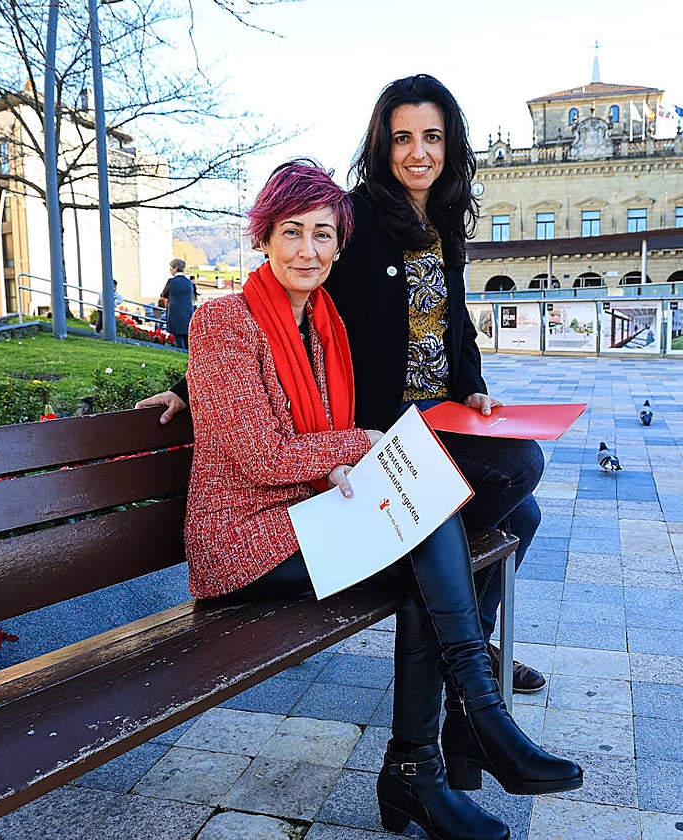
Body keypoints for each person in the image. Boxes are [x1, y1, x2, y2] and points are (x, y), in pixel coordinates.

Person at [182, 159, 581, 840]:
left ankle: (421, 768)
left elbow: (307, 442)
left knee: (429, 520)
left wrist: (354, 453)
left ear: (340, 244)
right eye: (291, 233)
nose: (308, 250)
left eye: (323, 235)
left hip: (303, 517)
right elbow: (257, 455)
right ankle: (468, 726)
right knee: (425, 526)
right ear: (263, 237)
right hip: (240, 542)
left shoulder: (324, 326)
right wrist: (359, 444)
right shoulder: (226, 323)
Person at [140, 74, 549, 699]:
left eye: (433, 138)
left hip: (438, 411)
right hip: (379, 424)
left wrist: (473, 387)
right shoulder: (353, 218)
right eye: (402, 137)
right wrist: (192, 385)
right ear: (381, 144)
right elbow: (282, 301)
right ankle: (452, 629)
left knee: (523, 509)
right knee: (515, 469)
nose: (418, 152)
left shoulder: (442, 221)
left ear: (451, 145)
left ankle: (469, 638)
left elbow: (455, 317)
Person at [159, 258, 196, 350]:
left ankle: (181, 355)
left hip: (175, 314)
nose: (170, 271)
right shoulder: (189, 282)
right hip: (188, 313)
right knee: (187, 340)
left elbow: (164, 294)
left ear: (175, 268)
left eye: (171, 268)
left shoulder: (172, 282)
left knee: (179, 340)